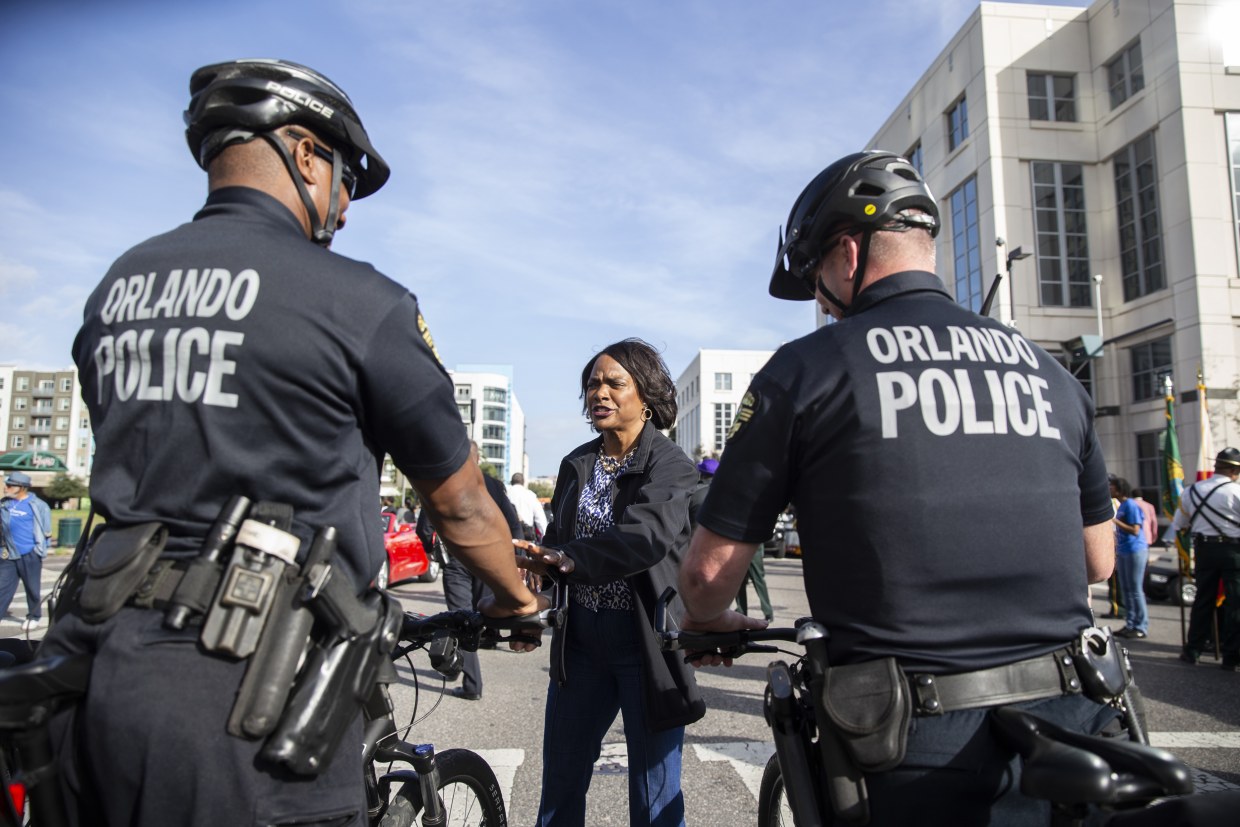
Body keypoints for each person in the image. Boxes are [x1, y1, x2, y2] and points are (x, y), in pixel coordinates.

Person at [42, 58, 544, 827]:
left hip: (90, 671)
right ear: (305, 152)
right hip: (254, 698)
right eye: (344, 178)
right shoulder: (358, 302)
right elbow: (462, 501)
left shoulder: (118, 287)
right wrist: (514, 599)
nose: (344, 208)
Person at [677, 151, 1118, 826]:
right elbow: (1097, 561)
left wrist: (708, 622)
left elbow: (708, 575)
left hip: (914, 745)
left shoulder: (808, 370)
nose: (821, 301)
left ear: (846, 255)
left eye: (817, 278)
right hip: (1072, 722)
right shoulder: (1049, 371)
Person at [516, 338, 701, 827]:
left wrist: (568, 561)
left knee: (654, 797)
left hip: (646, 643)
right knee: (560, 783)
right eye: (592, 384)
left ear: (646, 395)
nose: (599, 392)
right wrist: (532, 595)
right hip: (580, 645)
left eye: (614, 383)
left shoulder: (671, 464)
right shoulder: (576, 464)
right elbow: (557, 541)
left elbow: (643, 539)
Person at [417, 443, 523, 700]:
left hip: (456, 562)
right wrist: (515, 558)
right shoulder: (494, 485)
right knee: (475, 618)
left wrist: (434, 550)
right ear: (478, 458)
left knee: (460, 619)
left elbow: (424, 528)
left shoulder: (443, 480)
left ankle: (468, 680)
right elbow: (513, 524)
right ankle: (461, 670)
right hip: (487, 562)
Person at [1172, 447, 1240, 671]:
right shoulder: (1236, 491)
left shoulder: (1191, 491)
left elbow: (1179, 525)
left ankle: (1193, 651)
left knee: (1203, 601)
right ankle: (1232, 657)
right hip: (1233, 551)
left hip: (1204, 550)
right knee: (1235, 603)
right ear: (1233, 470)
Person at [0, 471, 52, 630]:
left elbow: (46, 531)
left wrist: (40, 550)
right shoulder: (5, 504)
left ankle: (34, 616)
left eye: (10, 485)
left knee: (32, 587)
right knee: (2, 587)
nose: (6, 487)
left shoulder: (38, 505)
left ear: (22, 487)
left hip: (30, 553)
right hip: (8, 553)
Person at [1111, 476, 1149, 639]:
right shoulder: (1122, 506)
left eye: (1111, 487)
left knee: (1135, 589)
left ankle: (1141, 625)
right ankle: (1131, 623)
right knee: (1126, 589)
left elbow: (1135, 530)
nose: (1109, 489)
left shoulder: (1131, 505)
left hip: (1135, 549)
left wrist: (1114, 521)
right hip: (1124, 550)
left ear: (1119, 489)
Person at [507, 472, 548, 541]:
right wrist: (546, 538)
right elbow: (540, 519)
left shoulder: (506, 494)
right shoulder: (531, 495)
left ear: (511, 482)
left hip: (508, 536)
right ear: (523, 482)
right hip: (526, 536)